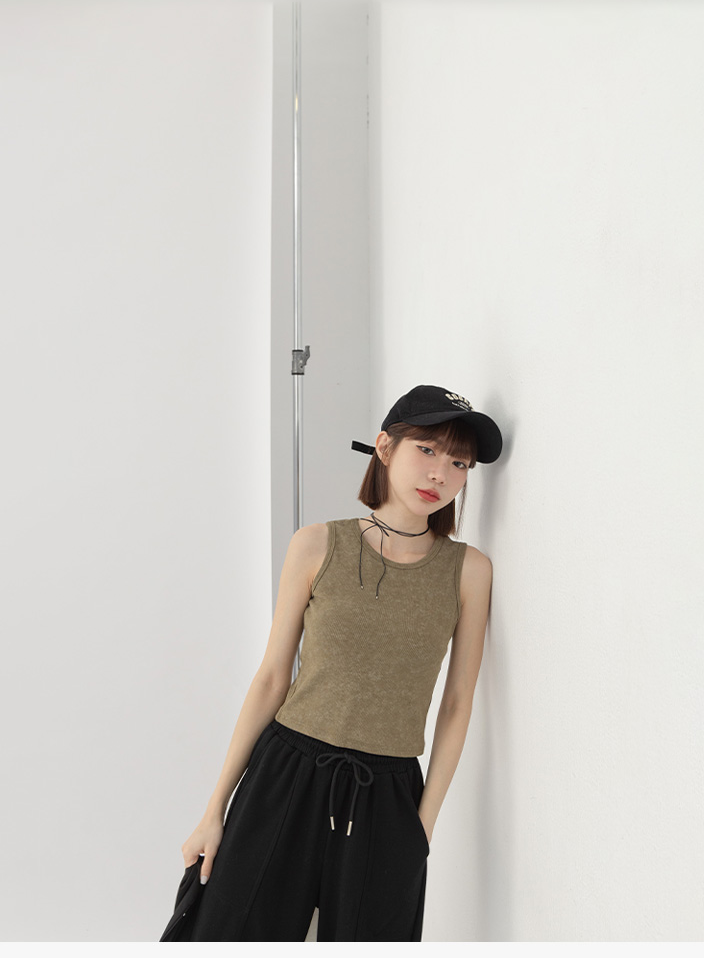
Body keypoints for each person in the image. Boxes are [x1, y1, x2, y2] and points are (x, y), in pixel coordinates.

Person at [159, 384, 503, 942]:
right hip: (285, 773)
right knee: (227, 931)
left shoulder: (469, 571)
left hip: (388, 794)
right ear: (385, 447)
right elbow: (272, 678)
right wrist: (214, 808)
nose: (440, 473)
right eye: (427, 450)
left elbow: (458, 703)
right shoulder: (317, 545)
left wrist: (421, 828)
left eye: (459, 463)